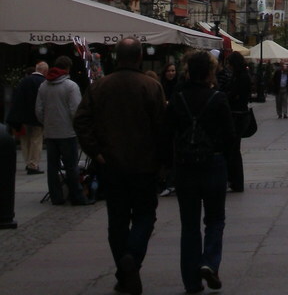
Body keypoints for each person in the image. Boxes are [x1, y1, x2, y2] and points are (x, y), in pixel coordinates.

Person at [74, 37, 166, 295]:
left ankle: (125, 271)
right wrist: (163, 161)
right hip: (144, 165)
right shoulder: (151, 86)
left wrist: (96, 151)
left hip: (112, 164)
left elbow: (81, 120)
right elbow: (162, 127)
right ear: (139, 57)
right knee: (145, 215)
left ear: (116, 57)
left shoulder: (101, 86)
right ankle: (132, 259)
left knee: (117, 220)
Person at [166, 50, 235, 294]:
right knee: (215, 219)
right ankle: (209, 262)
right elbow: (230, 137)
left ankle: (191, 282)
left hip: (185, 166)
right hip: (213, 163)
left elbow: (168, 131)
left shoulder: (178, 97)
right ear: (210, 72)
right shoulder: (218, 98)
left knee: (189, 225)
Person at [35, 56, 89, 206]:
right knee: (71, 165)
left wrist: (46, 123)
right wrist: (76, 126)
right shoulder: (70, 86)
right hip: (67, 132)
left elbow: (38, 110)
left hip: (50, 132)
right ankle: (76, 196)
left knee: (52, 167)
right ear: (68, 69)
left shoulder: (44, 86)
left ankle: (56, 196)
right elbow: (75, 110)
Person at [7, 61, 48, 174]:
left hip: (23, 117)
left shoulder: (24, 81)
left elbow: (16, 99)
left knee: (25, 140)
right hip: (36, 118)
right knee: (36, 140)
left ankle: (27, 162)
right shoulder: (43, 82)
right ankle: (33, 164)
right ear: (44, 71)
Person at [222, 51, 252, 191]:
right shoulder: (240, 75)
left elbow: (235, 94)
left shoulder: (241, 77)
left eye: (229, 63)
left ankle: (236, 182)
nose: (228, 66)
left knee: (234, 150)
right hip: (239, 114)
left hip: (237, 115)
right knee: (234, 150)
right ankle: (234, 181)